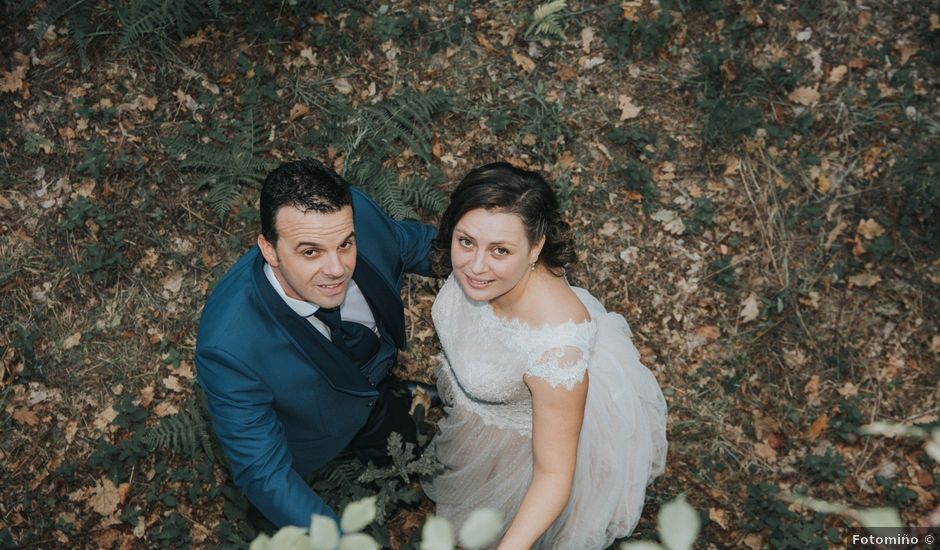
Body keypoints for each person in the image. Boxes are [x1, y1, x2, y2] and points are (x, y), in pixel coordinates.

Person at [423, 162, 668, 549]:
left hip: (524, 450)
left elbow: (554, 475)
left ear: (535, 247)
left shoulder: (556, 354)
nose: (475, 266)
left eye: (500, 250)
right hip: (479, 418)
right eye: (465, 241)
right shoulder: (482, 274)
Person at [195, 159, 436, 528]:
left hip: (376, 387)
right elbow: (265, 475)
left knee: (394, 437)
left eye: (345, 245)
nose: (337, 268)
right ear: (270, 250)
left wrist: (493, 265)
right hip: (314, 433)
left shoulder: (355, 216)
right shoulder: (229, 348)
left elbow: (413, 245)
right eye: (310, 252)